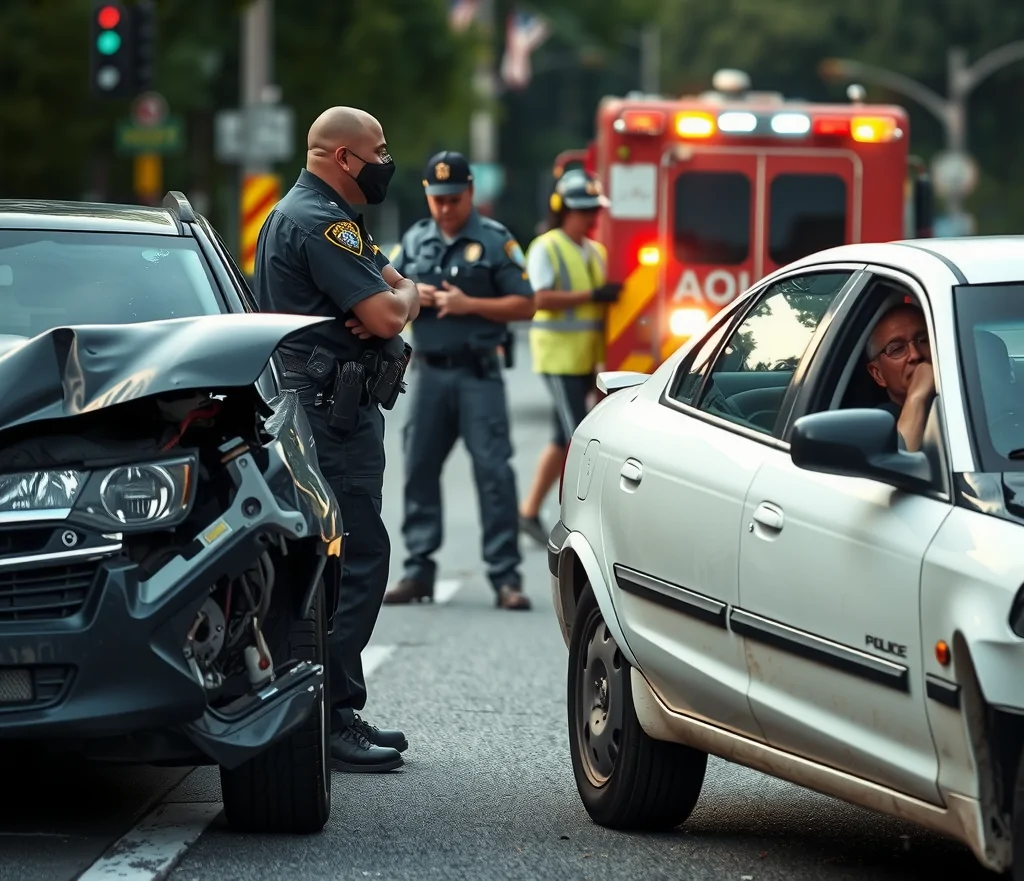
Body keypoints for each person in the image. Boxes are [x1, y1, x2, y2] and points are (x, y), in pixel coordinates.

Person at [253, 106, 420, 773]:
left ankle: (326, 704)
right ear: (339, 158)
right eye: (377, 151)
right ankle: (328, 713)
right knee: (352, 557)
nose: (385, 162)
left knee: (338, 556)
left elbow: (399, 289)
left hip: (323, 409)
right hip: (328, 415)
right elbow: (388, 307)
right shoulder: (319, 221)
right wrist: (396, 303)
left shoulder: (325, 218)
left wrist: (398, 297)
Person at [383, 150, 536, 610]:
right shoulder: (415, 239)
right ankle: (418, 572)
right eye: (437, 199)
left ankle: (506, 578)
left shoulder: (495, 240)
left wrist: (472, 305)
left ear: (470, 192)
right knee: (419, 470)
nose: (445, 208)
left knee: (494, 475)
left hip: (478, 374)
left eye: (454, 198)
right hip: (429, 373)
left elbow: (526, 304)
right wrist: (413, 294)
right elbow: (386, 287)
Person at [518, 168, 621, 545]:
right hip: (559, 357)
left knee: (562, 437)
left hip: (585, 359)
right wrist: (592, 296)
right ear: (564, 210)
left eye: (595, 209)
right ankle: (576, 519)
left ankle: (528, 511)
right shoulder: (546, 246)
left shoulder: (596, 251)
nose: (592, 216)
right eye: (584, 209)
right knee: (579, 439)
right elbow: (539, 298)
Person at [865, 302, 935, 452]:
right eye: (896, 349)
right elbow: (901, 465)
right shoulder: (878, 425)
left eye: (923, 340)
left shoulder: (975, 400)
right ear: (878, 374)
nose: (915, 354)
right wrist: (917, 397)